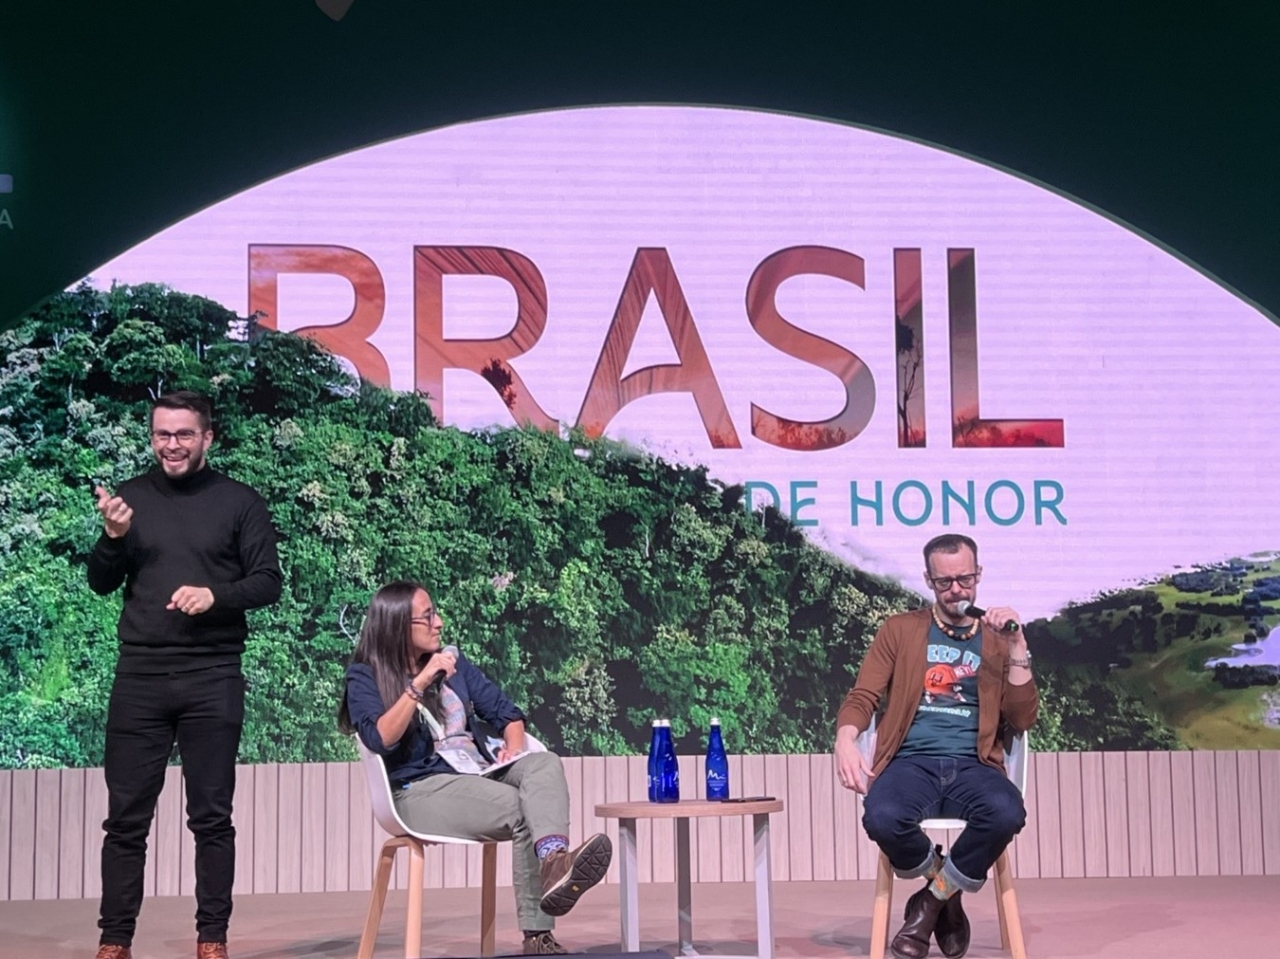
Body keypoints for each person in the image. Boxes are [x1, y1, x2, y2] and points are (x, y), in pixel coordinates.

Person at [87, 392, 282, 959]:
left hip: (212, 675)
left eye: (184, 434)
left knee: (211, 817)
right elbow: (100, 582)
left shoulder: (239, 502)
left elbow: (268, 582)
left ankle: (212, 938)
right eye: (162, 435)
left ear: (207, 438)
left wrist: (214, 595)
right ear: (153, 438)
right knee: (126, 819)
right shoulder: (129, 500)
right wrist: (112, 537)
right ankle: (115, 939)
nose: (171, 445)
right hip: (140, 676)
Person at [339, 580, 613, 956]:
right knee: (520, 809)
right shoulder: (365, 675)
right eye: (428, 616)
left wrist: (512, 751)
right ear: (398, 627)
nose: (439, 622)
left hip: (477, 771)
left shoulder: (455, 664)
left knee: (543, 763)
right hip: (417, 789)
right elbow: (379, 739)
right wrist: (420, 682)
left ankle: (553, 861)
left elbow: (507, 714)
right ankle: (538, 938)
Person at [833, 534, 1037, 959]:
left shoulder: (1000, 639)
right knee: (883, 818)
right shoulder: (900, 630)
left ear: (978, 575)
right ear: (928, 581)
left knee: (1006, 813)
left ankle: (927, 905)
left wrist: (1018, 647)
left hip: (974, 765)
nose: (956, 590)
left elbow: (1022, 719)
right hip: (911, 763)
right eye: (945, 582)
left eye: (964, 579)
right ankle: (946, 892)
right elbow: (862, 697)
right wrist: (845, 738)